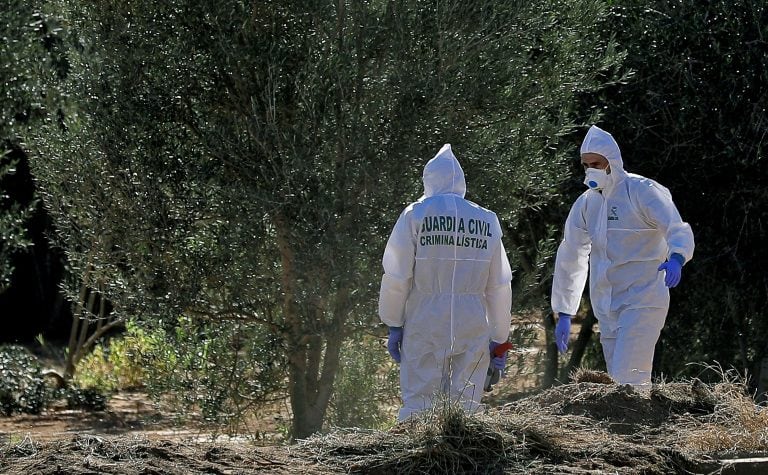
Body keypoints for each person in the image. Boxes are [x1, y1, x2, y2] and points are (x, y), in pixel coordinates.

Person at [551, 125, 694, 387]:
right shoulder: (586, 204)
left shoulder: (641, 191)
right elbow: (572, 254)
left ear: (612, 162)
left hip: (643, 299)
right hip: (607, 308)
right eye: (585, 165)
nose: (590, 170)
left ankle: (636, 426)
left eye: (596, 163)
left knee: (629, 381)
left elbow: (676, 226)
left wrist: (677, 257)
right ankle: (636, 427)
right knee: (620, 386)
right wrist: (564, 311)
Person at [379, 144, 513, 421]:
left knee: (419, 404)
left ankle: (417, 462)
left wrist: (393, 321)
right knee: (466, 405)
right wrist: (500, 338)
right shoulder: (487, 220)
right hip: (472, 319)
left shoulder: (416, 214)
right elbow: (499, 284)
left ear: (428, 181)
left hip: (425, 318)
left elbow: (397, 274)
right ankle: (467, 463)